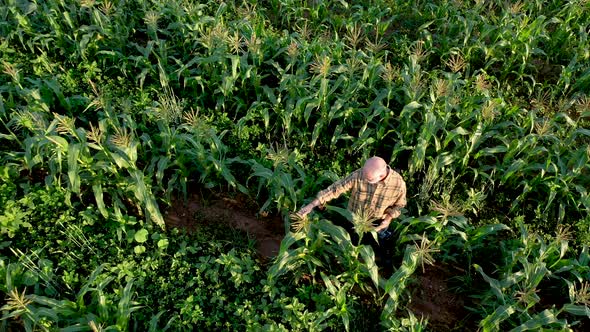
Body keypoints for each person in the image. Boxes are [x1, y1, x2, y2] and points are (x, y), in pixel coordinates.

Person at [297, 156, 406, 238]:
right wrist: (311, 205)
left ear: (381, 176)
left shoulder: (398, 184)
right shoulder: (359, 175)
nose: (364, 178)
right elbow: (335, 189)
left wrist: (387, 220)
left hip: (377, 224)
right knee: (349, 241)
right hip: (353, 219)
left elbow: (400, 205)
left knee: (380, 247)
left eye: (369, 179)